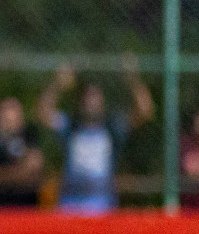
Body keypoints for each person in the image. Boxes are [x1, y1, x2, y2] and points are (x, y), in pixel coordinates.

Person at [36, 61, 155, 214]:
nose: (91, 102)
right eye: (88, 96)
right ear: (80, 101)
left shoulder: (112, 127)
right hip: (70, 207)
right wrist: (58, 85)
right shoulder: (70, 126)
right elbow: (42, 112)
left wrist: (133, 80)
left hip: (103, 207)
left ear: (103, 101)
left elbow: (145, 111)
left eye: (95, 96)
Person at [0, 97, 44, 206]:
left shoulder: (30, 137)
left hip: (26, 208)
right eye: (5, 113)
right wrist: (17, 173)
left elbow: (33, 172)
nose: (9, 118)